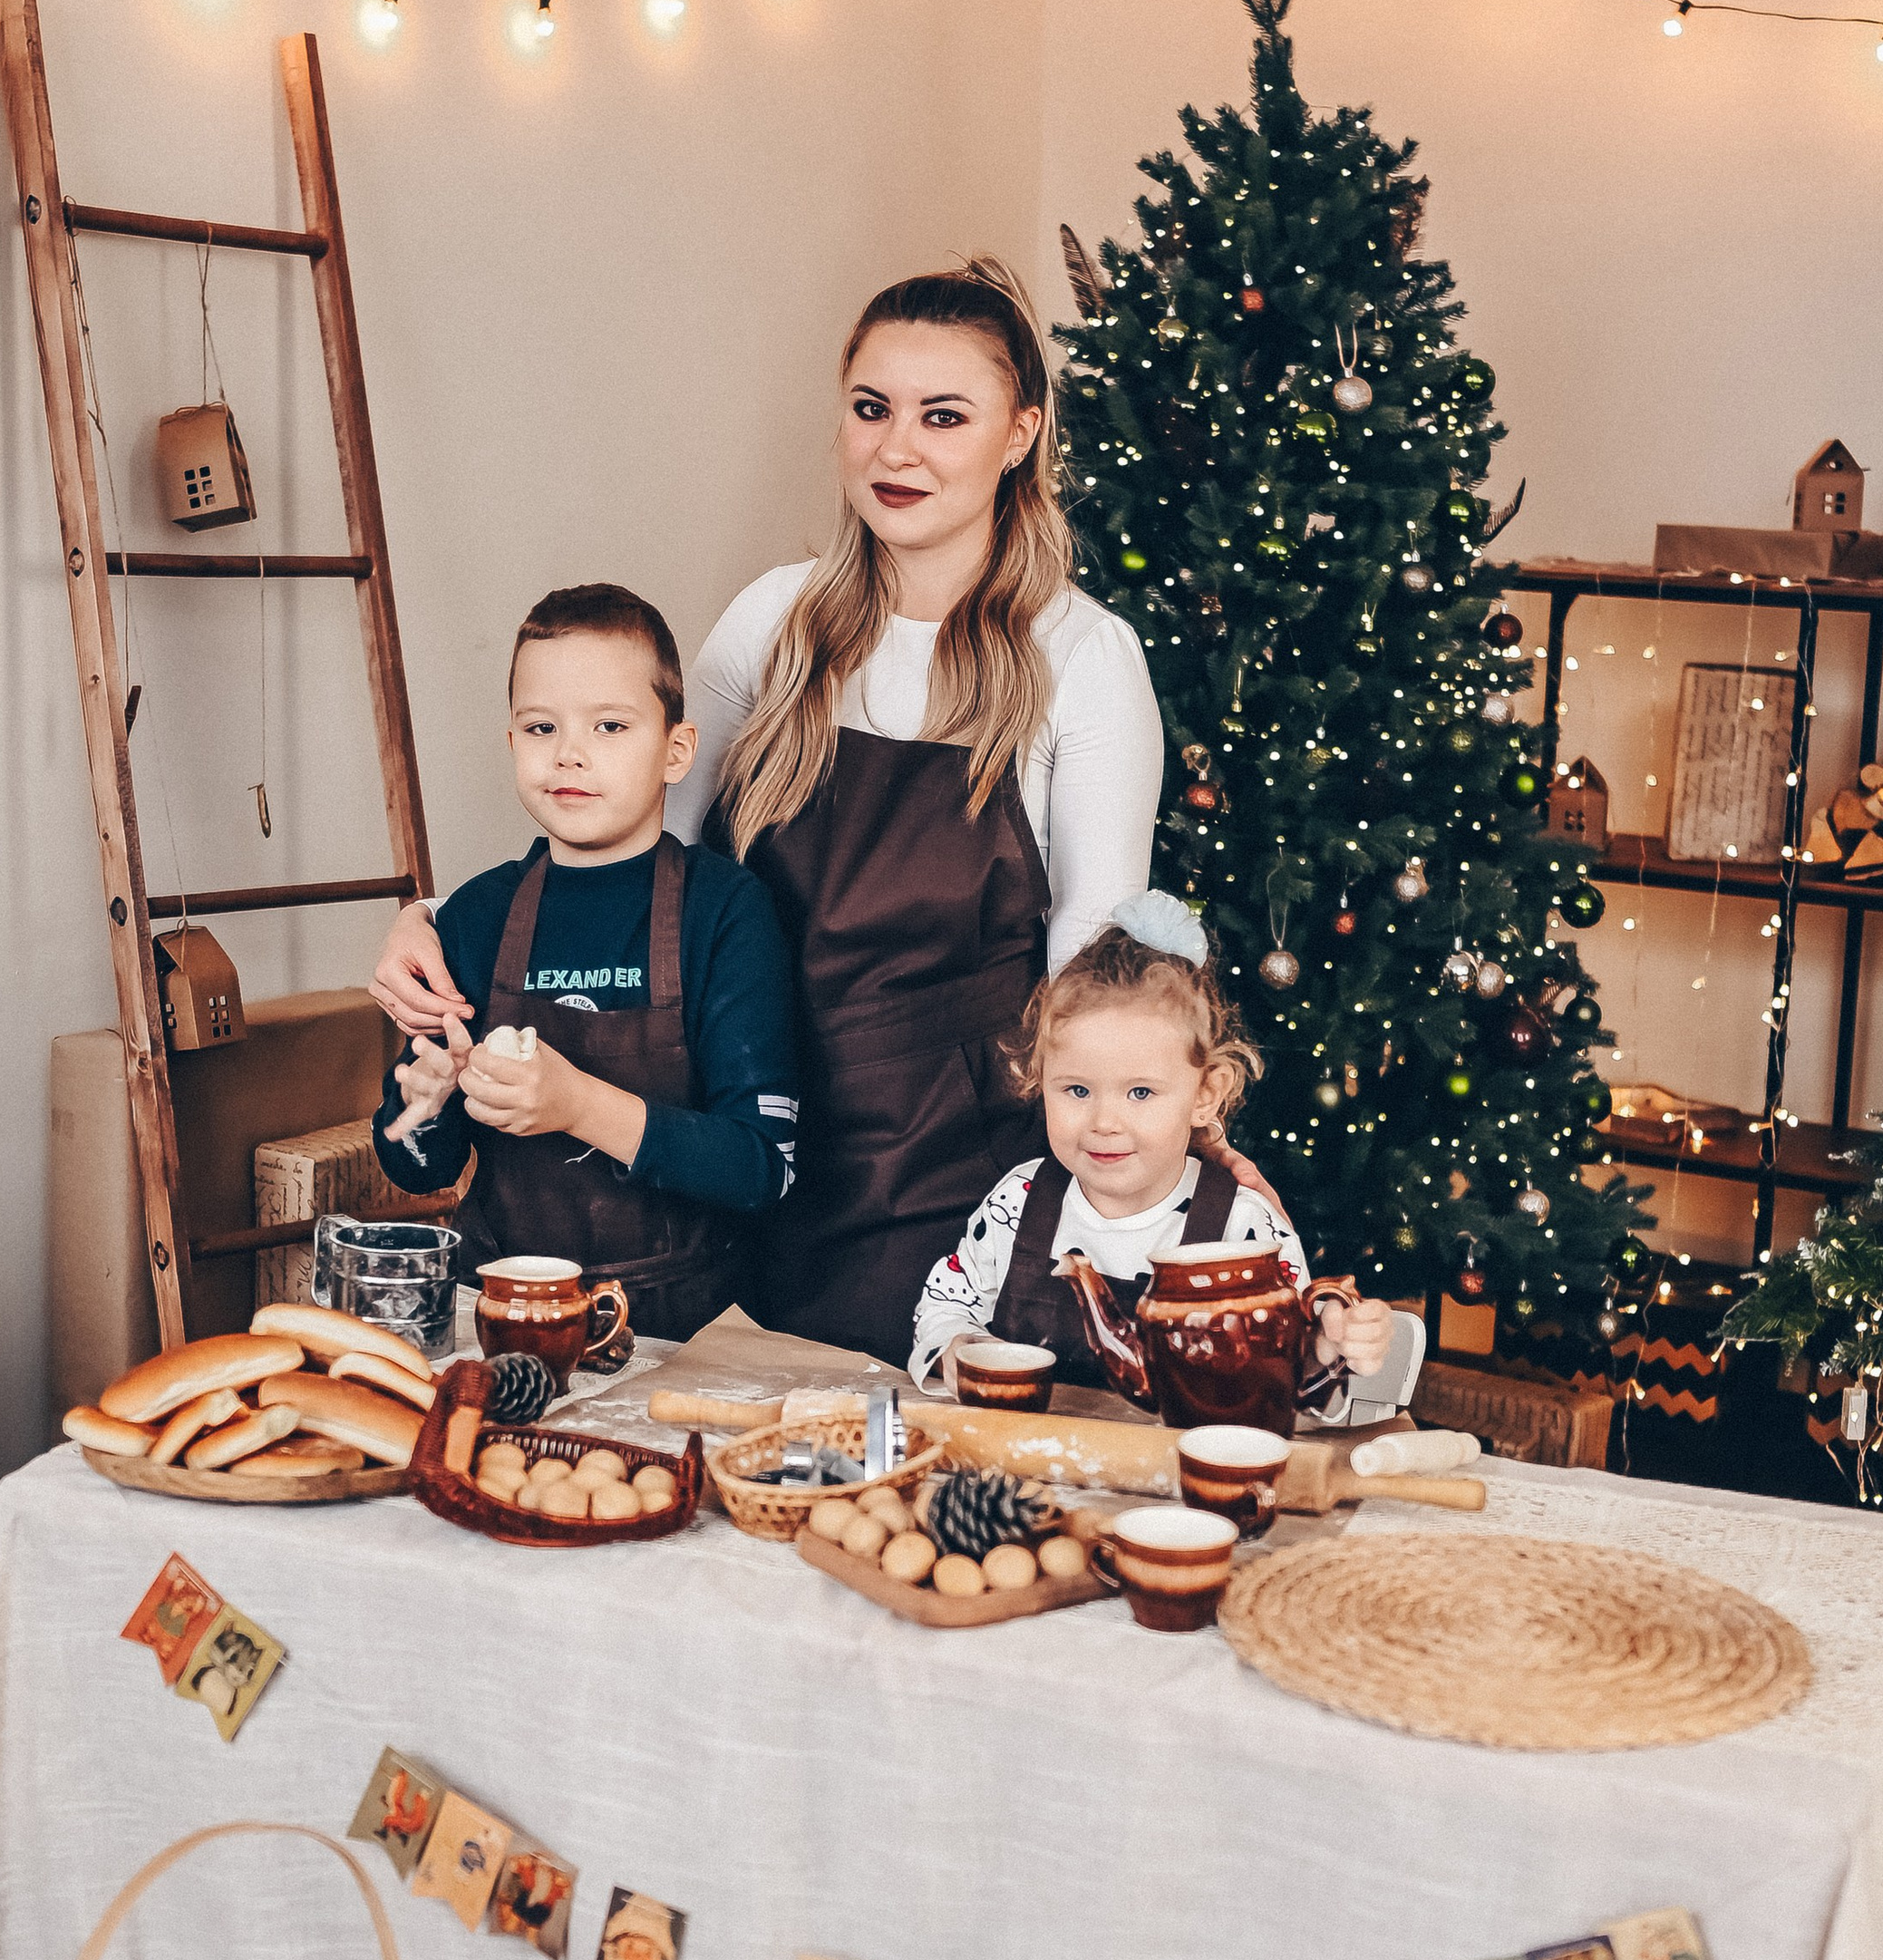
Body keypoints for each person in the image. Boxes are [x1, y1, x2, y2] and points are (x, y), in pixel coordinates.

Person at [371, 260, 1163, 1368]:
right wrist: (440, 917)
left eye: (945, 416)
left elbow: (1093, 954)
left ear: (1021, 432)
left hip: (946, 1187)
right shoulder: (773, 622)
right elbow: (635, 843)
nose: (898, 450)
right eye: (871, 408)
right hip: (728, 1167)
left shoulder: (1080, 657)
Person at [369, 583, 799, 1339]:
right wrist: (422, 1108)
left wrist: (578, 1106)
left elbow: (763, 1168)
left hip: (681, 1332)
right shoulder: (474, 917)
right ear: (510, 741)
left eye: (610, 725)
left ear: (676, 751)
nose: (569, 752)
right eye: (541, 726)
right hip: (502, 1317)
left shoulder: (726, 911)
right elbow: (417, 1167)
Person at [908, 892, 1399, 1399]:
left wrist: (1327, 1343)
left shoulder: (1244, 1228)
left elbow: (1288, 1379)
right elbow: (947, 1304)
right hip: (1022, 1470)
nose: (1104, 1122)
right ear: (1039, 1078)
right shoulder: (1020, 1199)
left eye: (1140, 1092)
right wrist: (959, 1347)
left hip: (1174, 1474)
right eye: (1077, 1090)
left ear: (1205, 1095)